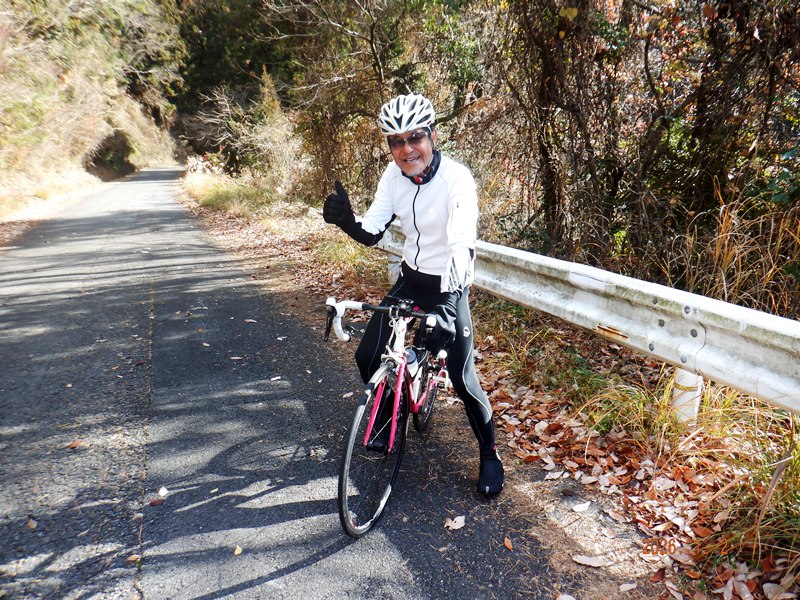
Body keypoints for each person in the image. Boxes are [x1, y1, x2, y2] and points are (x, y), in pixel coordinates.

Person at [321, 93, 504, 496]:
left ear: (433, 136)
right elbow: (373, 230)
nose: (407, 150)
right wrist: (346, 220)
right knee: (367, 355)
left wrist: (449, 306)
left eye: (415, 137)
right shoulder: (393, 176)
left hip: (449, 286)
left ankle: (489, 454)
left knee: (462, 377)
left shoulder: (457, 179)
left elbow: (461, 246)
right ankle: (391, 406)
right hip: (411, 279)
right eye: (396, 141)